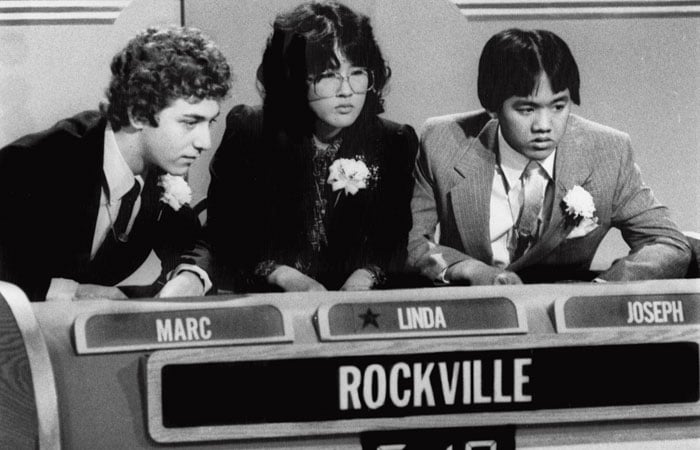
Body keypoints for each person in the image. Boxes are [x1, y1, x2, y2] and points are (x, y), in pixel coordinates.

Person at [407, 28, 690, 285]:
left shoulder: (607, 152)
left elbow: (667, 242)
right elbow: (412, 242)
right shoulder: (443, 141)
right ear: (493, 106)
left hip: (569, 324)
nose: (544, 125)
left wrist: (601, 291)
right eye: (526, 109)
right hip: (475, 316)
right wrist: (468, 269)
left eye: (558, 106)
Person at [0, 26, 231, 301]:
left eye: (210, 122)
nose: (204, 141)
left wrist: (191, 277)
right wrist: (74, 292)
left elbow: (196, 243)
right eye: (190, 122)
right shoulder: (34, 163)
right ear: (137, 114)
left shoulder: (158, 171)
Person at [201, 0, 418, 292]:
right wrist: (280, 275)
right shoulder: (251, 130)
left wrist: (367, 276)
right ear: (292, 76)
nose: (347, 91)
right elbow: (224, 238)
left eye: (357, 73)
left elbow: (393, 243)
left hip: (357, 308)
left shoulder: (394, 141)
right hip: (267, 302)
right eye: (329, 75)